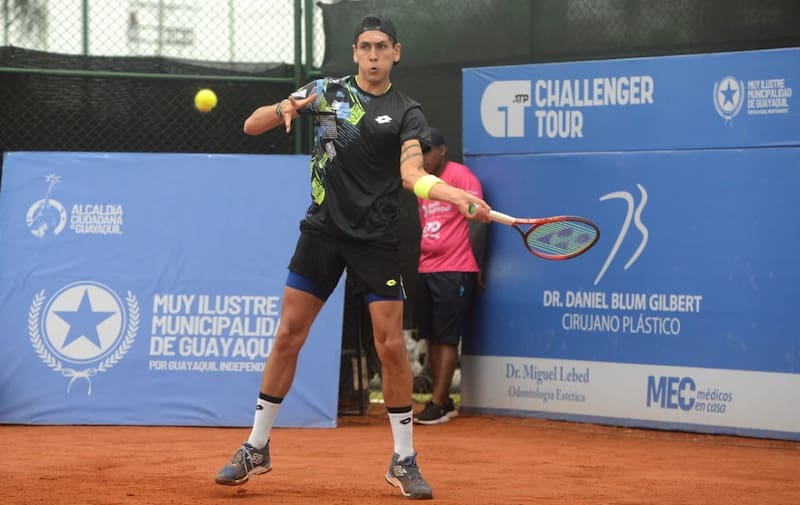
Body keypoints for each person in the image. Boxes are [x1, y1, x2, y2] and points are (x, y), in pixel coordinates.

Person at [214, 14, 491, 500]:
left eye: (382, 47)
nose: (373, 55)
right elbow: (250, 125)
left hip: (377, 239)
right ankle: (256, 446)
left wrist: (454, 196)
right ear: (355, 52)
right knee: (287, 336)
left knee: (390, 347)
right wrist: (287, 105)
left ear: (396, 53)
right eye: (365, 47)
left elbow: (412, 174)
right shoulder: (325, 92)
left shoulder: (408, 112)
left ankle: (404, 459)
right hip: (322, 232)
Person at [413, 128, 486, 425]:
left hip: (455, 268)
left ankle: (440, 403)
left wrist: (477, 265)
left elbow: (478, 221)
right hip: (426, 267)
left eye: (428, 150)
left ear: (442, 150)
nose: (424, 157)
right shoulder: (422, 183)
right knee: (431, 334)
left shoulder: (462, 176)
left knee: (446, 337)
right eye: (420, 152)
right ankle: (440, 399)